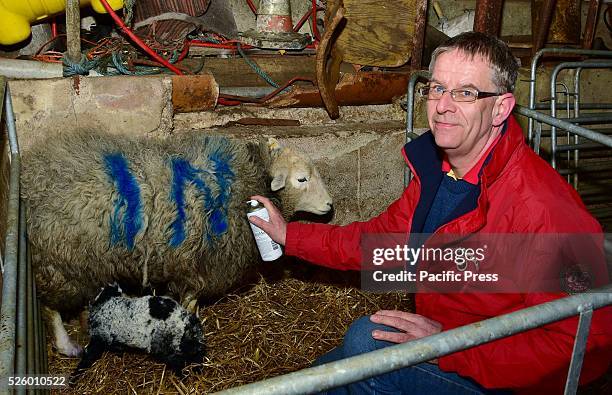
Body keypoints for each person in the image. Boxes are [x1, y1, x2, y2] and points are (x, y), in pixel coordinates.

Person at [249, 32, 612, 394]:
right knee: (315, 378)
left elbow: (586, 344)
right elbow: (378, 243)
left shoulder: (545, 210)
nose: (442, 106)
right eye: (437, 88)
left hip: (501, 372)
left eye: (466, 92)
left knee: (366, 343)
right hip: (448, 336)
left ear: (500, 108)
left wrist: (455, 346)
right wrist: (290, 235)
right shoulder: (440, 171)